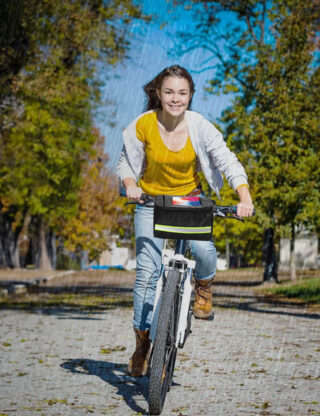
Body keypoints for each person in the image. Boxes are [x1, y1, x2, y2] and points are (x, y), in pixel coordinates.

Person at [116, 65, 254, 377]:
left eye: (182, 92)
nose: (175, 99)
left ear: (190, 95)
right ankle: (142, 345)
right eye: (169, 92)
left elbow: (226, 159)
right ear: (158, 94)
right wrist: (130, 185)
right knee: (146, 274)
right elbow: (125, 160)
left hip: (189, 200)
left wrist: (243, 196)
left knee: (203, 251)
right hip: (150, 201)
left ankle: (204, 287)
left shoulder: (199, 126)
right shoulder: (144, 125)